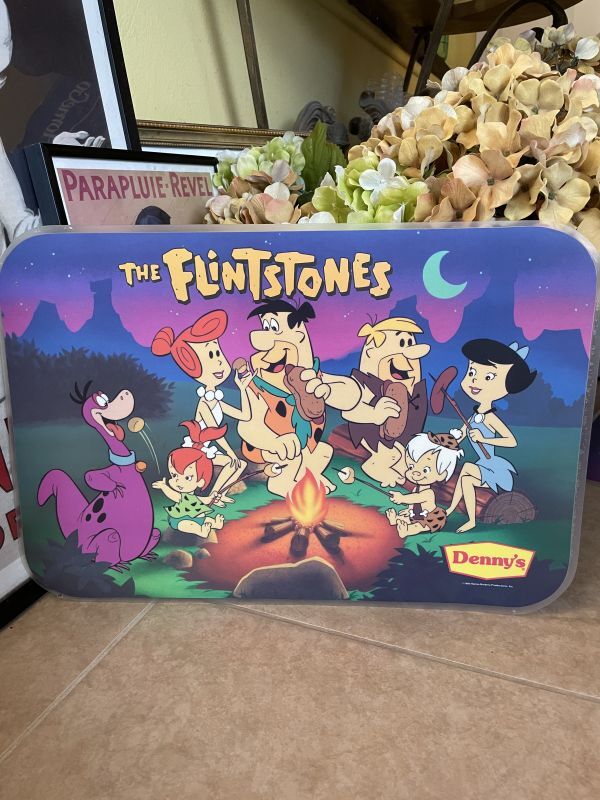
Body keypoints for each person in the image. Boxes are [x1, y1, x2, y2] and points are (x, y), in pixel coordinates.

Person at [151, 309, 252, 504]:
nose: (220, 361)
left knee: (237, 464)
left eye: (218, 353)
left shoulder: (215, 399)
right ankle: (213, 496)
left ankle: (217, 495)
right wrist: (230, 453)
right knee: (235, 462)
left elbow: (245, 415)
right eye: (211, 355)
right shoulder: (205, 402)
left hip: (205, 449)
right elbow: (213, 432)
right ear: (192, 365)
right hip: (195, 451)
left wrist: (243, 389)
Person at [446, 339, 537, 532]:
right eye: (471, 372)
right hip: (482, 463)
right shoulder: (475, 416)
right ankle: (453, 508)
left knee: (466, 476)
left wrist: (484, 439)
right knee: (465, 472)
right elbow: (461, 435)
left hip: (493, 466)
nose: (474, 381)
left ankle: (469, 518)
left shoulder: (490, 418)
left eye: (488, 377)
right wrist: (450, 440)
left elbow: (511, 441)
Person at [152, 422, 226, 541]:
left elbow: (203, 500)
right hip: (180, 520)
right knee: (187, 525)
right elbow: (174, 495)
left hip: (196, 518)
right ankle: (200, 530)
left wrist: (212, 499)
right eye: (174, 475)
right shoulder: (183, 497)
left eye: (187, 478)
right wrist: (164, 487)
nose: (178, 481)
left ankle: (214, 524)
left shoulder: (193, 498)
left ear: (200, 482)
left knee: (205, 520)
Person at [386, 432, 463, 536]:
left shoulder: (428, 493)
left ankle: (407, 530)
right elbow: (413, 502)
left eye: (425, 470)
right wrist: (409, 510)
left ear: (442, 474)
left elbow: (416, 498)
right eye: (411, 467)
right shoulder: (415, 489)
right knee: (407, 517)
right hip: (417, 515)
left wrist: (402, 498)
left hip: (432, 517)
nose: (415, 473)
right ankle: (396, 520)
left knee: (419, 526)